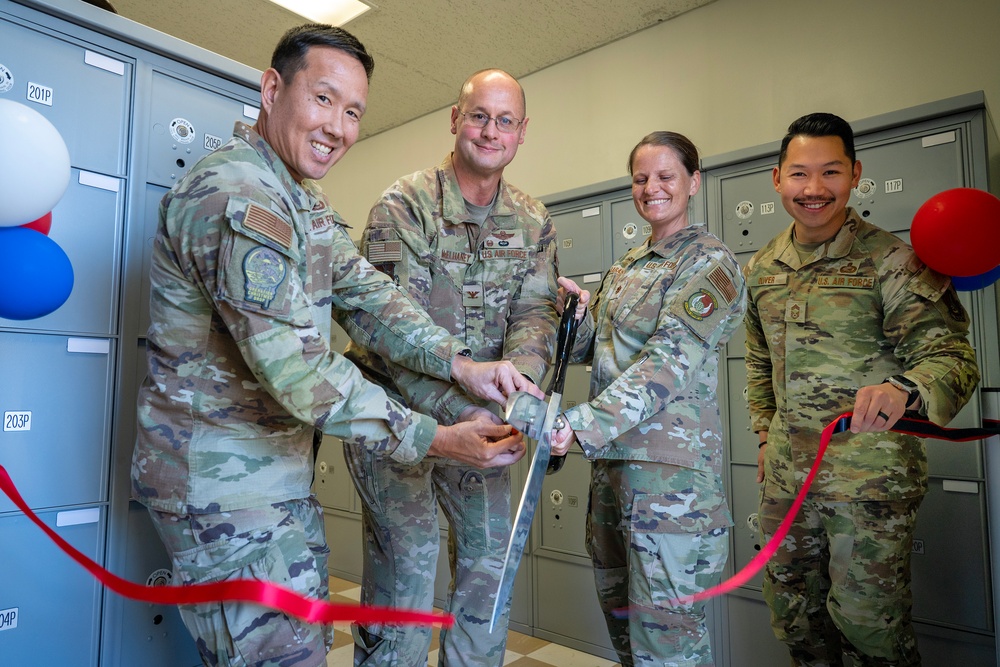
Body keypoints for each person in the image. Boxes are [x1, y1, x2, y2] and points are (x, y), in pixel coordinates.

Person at [131, 25, 538, 667]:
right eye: (323, 100)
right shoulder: (239, 196)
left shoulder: (303, 202)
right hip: (222, 491)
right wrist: (434, 436)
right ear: (272, 90)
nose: (339, 127)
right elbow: (296, 368)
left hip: (274, 481)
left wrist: (459, 363)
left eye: (353, 112)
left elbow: (369, 295)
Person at [744, 112, 980, 666]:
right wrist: (763, 434)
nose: (814, 189)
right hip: (787, 482)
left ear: (855, 175)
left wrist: (907, 388)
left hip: (869, 483)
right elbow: (759, 363)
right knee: (795, 619)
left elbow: (952, 357)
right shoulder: (761, 267)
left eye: (830, 172)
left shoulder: (893, 261)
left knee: (872, 630)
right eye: (799, 174)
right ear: (778, 180)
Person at [344, 68, 559, 666]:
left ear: (521, 133)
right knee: (406, 576)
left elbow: (537, 313)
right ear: (456, 121)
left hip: (485, 421)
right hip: (397, 422)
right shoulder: (403, 205)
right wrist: (464, 402)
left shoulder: (533, 220)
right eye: (479, 116)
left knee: (489, 567)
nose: (491, 131)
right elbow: (383, 330)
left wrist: (515, 383)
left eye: (505, 120)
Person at [554, 131, 747, 667]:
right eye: (641, 178)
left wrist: (579, 423)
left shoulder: (711, 264)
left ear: (693, 182)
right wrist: (576, 319)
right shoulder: (628, 266)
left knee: (669, 646)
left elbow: (668, 365)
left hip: (670, 487)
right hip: (614, 471)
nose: (652, 188)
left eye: (666, 176)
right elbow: (605, 353)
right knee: (627, 639)